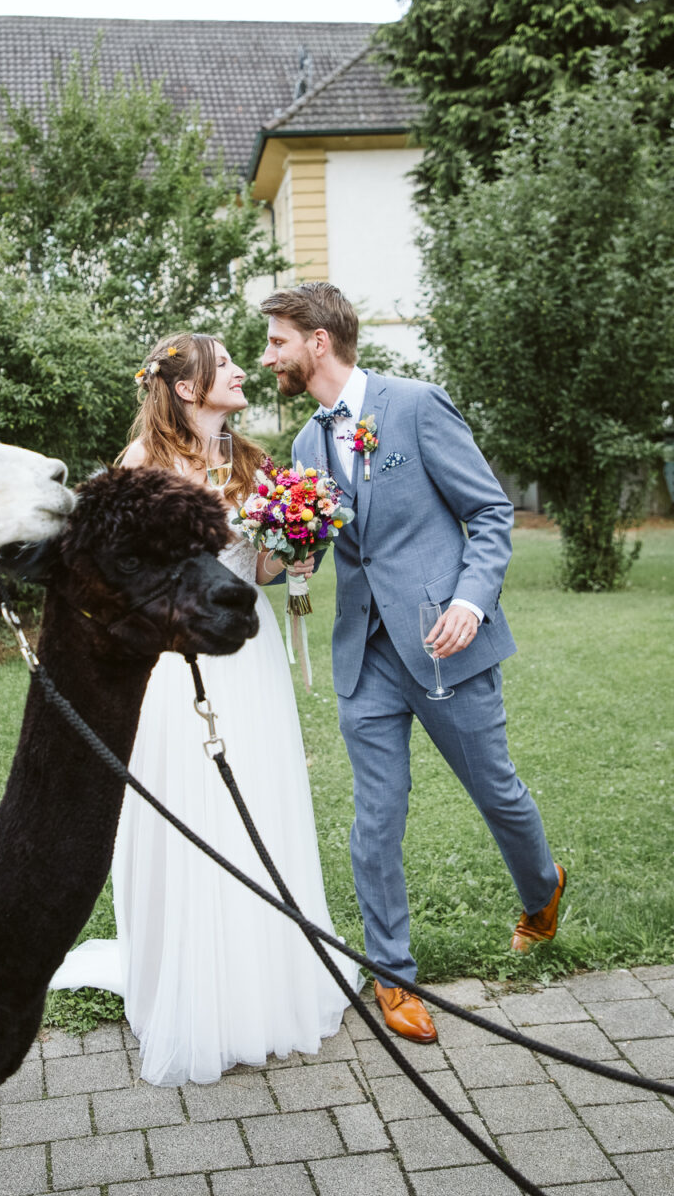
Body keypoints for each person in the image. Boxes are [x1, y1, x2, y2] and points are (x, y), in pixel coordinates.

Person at [49, 331, 358, 1085]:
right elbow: (108, 580)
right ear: (186, 388)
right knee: (189, 811)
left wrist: (295, 545)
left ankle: (266, 985)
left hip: (249, 663)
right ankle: (192, 991)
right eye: (226, 366)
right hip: (172, 666)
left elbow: (258, 566)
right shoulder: (139, 469)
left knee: (260, 807)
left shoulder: (253, 462)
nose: (244, 370)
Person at [260, 283, 565, 1044]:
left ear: (318, 342)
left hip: (443, 643)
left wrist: (471, 600)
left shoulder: (417, 404)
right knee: (376, 816)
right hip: (364, 658)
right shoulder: (305, 444)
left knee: (495, 790)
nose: (269, 357)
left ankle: (542, 889)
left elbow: (491, 512)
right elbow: (312, 546)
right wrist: (272, 549)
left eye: (277, 342)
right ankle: (391, 974)